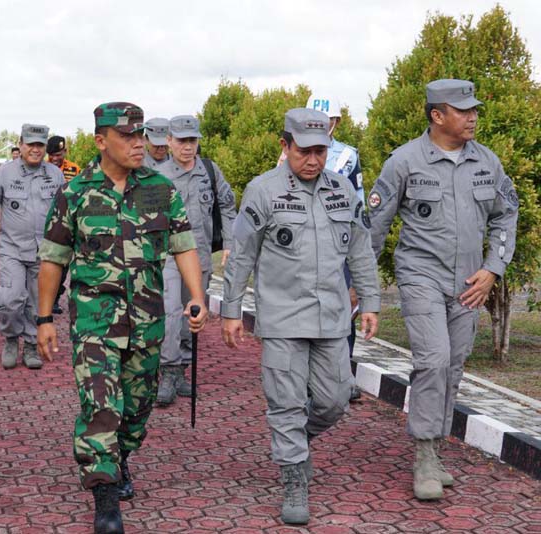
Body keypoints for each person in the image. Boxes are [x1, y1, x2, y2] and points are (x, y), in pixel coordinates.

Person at [36, 102, 208, 534]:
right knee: (101, 407)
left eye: (140, 135)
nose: (138, 144)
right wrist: (44, 318)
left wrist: (197, 297)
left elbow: (184, 244)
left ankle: (122, 456)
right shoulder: (75, 194)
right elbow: (54, 259)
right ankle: (106, 497)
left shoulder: (159, 189)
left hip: (147, 321)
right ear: (101, 141)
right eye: (127, 136)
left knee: (136, 408)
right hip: (94, 323)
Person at [221, 108, 380, 525]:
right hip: (282, 317)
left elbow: (361, 251)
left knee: (335, 400)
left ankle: (296, 442)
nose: (313, 160)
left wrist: (370, 301)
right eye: (304, 151)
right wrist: (231, 310)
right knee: (286, 403)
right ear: (285, 145)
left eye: (320, 152)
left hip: (332, 316)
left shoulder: (342, 190)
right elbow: (242, 255)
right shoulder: (263, 190)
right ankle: (293, 477)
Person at [367, 79, 518, 501]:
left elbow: (507, 215)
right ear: (437, 115)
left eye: (474, 110)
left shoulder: (487, 162)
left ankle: (435, 449)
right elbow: (374, 227)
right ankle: (423, 456)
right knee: (433, 360)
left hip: (470, 282)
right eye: (463, 110)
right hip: (421, 276)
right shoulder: (404, 161)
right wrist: (360, 284)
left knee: (453, 365)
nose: (473, 117)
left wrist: (492, 269)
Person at [155, 115, 236, 406]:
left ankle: (182, 369)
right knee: (169, 312)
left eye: (192, 140)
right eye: (181, 140)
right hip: (168, 257)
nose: (187, 146)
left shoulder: (210, 172)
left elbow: (227, 205)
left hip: (200, 255)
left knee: (193, 313)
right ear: (169, 141)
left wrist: (229, 242)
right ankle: (168, 370)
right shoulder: (157, 176)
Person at [0, 123, 64, 370]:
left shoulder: (55, 175)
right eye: (30, 145)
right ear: (20, 144)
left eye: (40, 145)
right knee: (10, 299)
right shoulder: (4, 173)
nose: (35, 150)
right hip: (12, 249)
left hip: (45, 251)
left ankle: (30, 344)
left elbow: (65, 210)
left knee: (37, 302)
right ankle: (10, 339)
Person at [304, 93, 365, 400]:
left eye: (326, 120)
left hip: (337, 246)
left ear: (336, 122)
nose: (320, 125)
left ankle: (344, 377)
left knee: (344, 309)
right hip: (303, 245)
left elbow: (359, 206)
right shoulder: (291, 152)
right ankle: (306, 376)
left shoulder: (347, 156)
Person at [46, 135, 82, 314]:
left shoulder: (74, 169)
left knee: (63, 264)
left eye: (58, 154)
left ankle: (55, 298)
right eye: (51, 154)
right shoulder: (43, 168)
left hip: (68, 222)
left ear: (65, 152)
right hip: (47, 222)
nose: (54, 158)